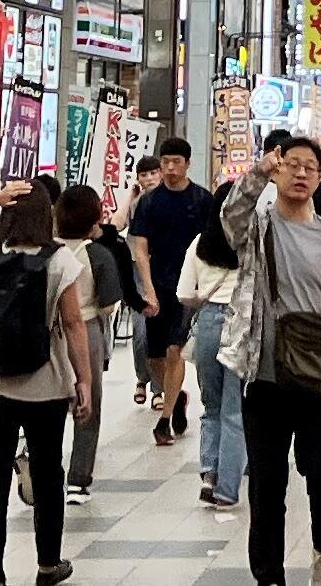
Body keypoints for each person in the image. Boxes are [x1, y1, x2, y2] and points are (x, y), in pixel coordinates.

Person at [220, 136, 321, 586]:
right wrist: (256, 172)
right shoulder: (258, 229)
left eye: (309, 167)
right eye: (292, 165)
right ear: (278, 172)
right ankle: (270, 577)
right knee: (266, 485)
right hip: (265, 378)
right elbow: (230, 217)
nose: (300, 174)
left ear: (320, 177)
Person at [0, 189, 88, 586]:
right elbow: (72, 323)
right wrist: (83, 380)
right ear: (47, 215)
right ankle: (48, 565)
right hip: (46, 385)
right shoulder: (60, 260)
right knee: (48, 475)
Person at [58, 184, 142, 503]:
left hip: (48, 333)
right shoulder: (97, 254)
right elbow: (109, 303)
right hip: (87, 328)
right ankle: (78, 480)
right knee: (87, 402)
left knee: (50, 403)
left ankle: (39, 464)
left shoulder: (47, 250)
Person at [131, 146, 213, 444]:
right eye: (165, 162)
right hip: (158, 283)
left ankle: (164, 421)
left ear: (188, 164)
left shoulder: (202, 199)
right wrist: (148, 288)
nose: (169, 168)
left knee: (174, 349)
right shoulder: (149, 202)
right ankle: (174, 398)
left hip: (189, 288)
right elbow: (140, 246)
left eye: (176, 162)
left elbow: (210, 244)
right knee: (154, 355)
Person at [181, 206, 248, 508]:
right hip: (242, 324)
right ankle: (228, 488)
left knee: (212, 404)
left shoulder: (200, 243)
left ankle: (210, 472)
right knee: (236, 409)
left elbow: (183, 293)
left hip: (208, 322)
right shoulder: (251, 241)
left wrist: (204, 298)